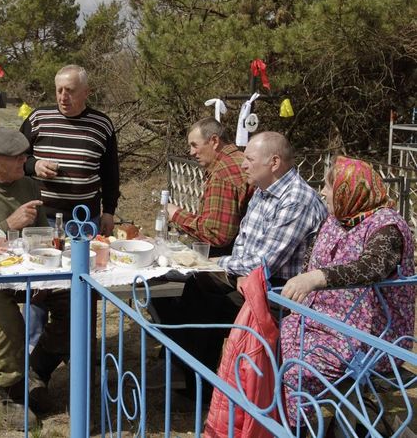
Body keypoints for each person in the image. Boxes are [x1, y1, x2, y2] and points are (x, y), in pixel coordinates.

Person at [151, 131, 327, 402]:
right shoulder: (262, 191)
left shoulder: (296, 199)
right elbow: (243, 244)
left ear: (274, 162)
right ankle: (195, 381)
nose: (242, 165)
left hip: (282, 295)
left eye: (249, 159)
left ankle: (203, 387)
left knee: (202, 308)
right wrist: (219, 269)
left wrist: (214, 263)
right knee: (185, 290)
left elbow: (264, 262)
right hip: (253, 281)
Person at [279, 156, 415, 428]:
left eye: (329, 186)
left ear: (347, 190)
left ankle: (298, 427)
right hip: (322, 321)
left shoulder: (387, 227)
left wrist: (317, 279)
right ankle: (291, 421)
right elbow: (311, 257)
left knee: (297, 369)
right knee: (268, 345)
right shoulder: (338, 218)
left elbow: (372, 267)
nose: (323, 192)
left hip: (369, 335)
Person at [0, 128, 70, 430]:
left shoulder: (30, 185)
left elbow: (42, 234)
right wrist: (9, 224)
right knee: (12, 327)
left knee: (73, 305)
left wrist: (43, 279)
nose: (25, 160)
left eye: (25, 155)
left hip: (29, 271)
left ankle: (35, 371)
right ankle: (10, 393)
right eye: (17, 158)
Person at [20, 64, 120, 236]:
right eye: (59, 90)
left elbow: (111, 174)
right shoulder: (38, 118)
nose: (63, 97)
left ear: (86, 92)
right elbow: (16, 158)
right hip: (42, 218)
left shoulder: (101, 124)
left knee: (84, 263)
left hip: (85, 220)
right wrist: (34, 165)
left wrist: (109, 212)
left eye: (70, 91)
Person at [167, 117, 253, 256]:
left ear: (214, 141)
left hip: (231, 260)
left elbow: (215, 234)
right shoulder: (239, 158)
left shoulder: (223, 174)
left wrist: (176, 214)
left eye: (195, 145)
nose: (191, 152)